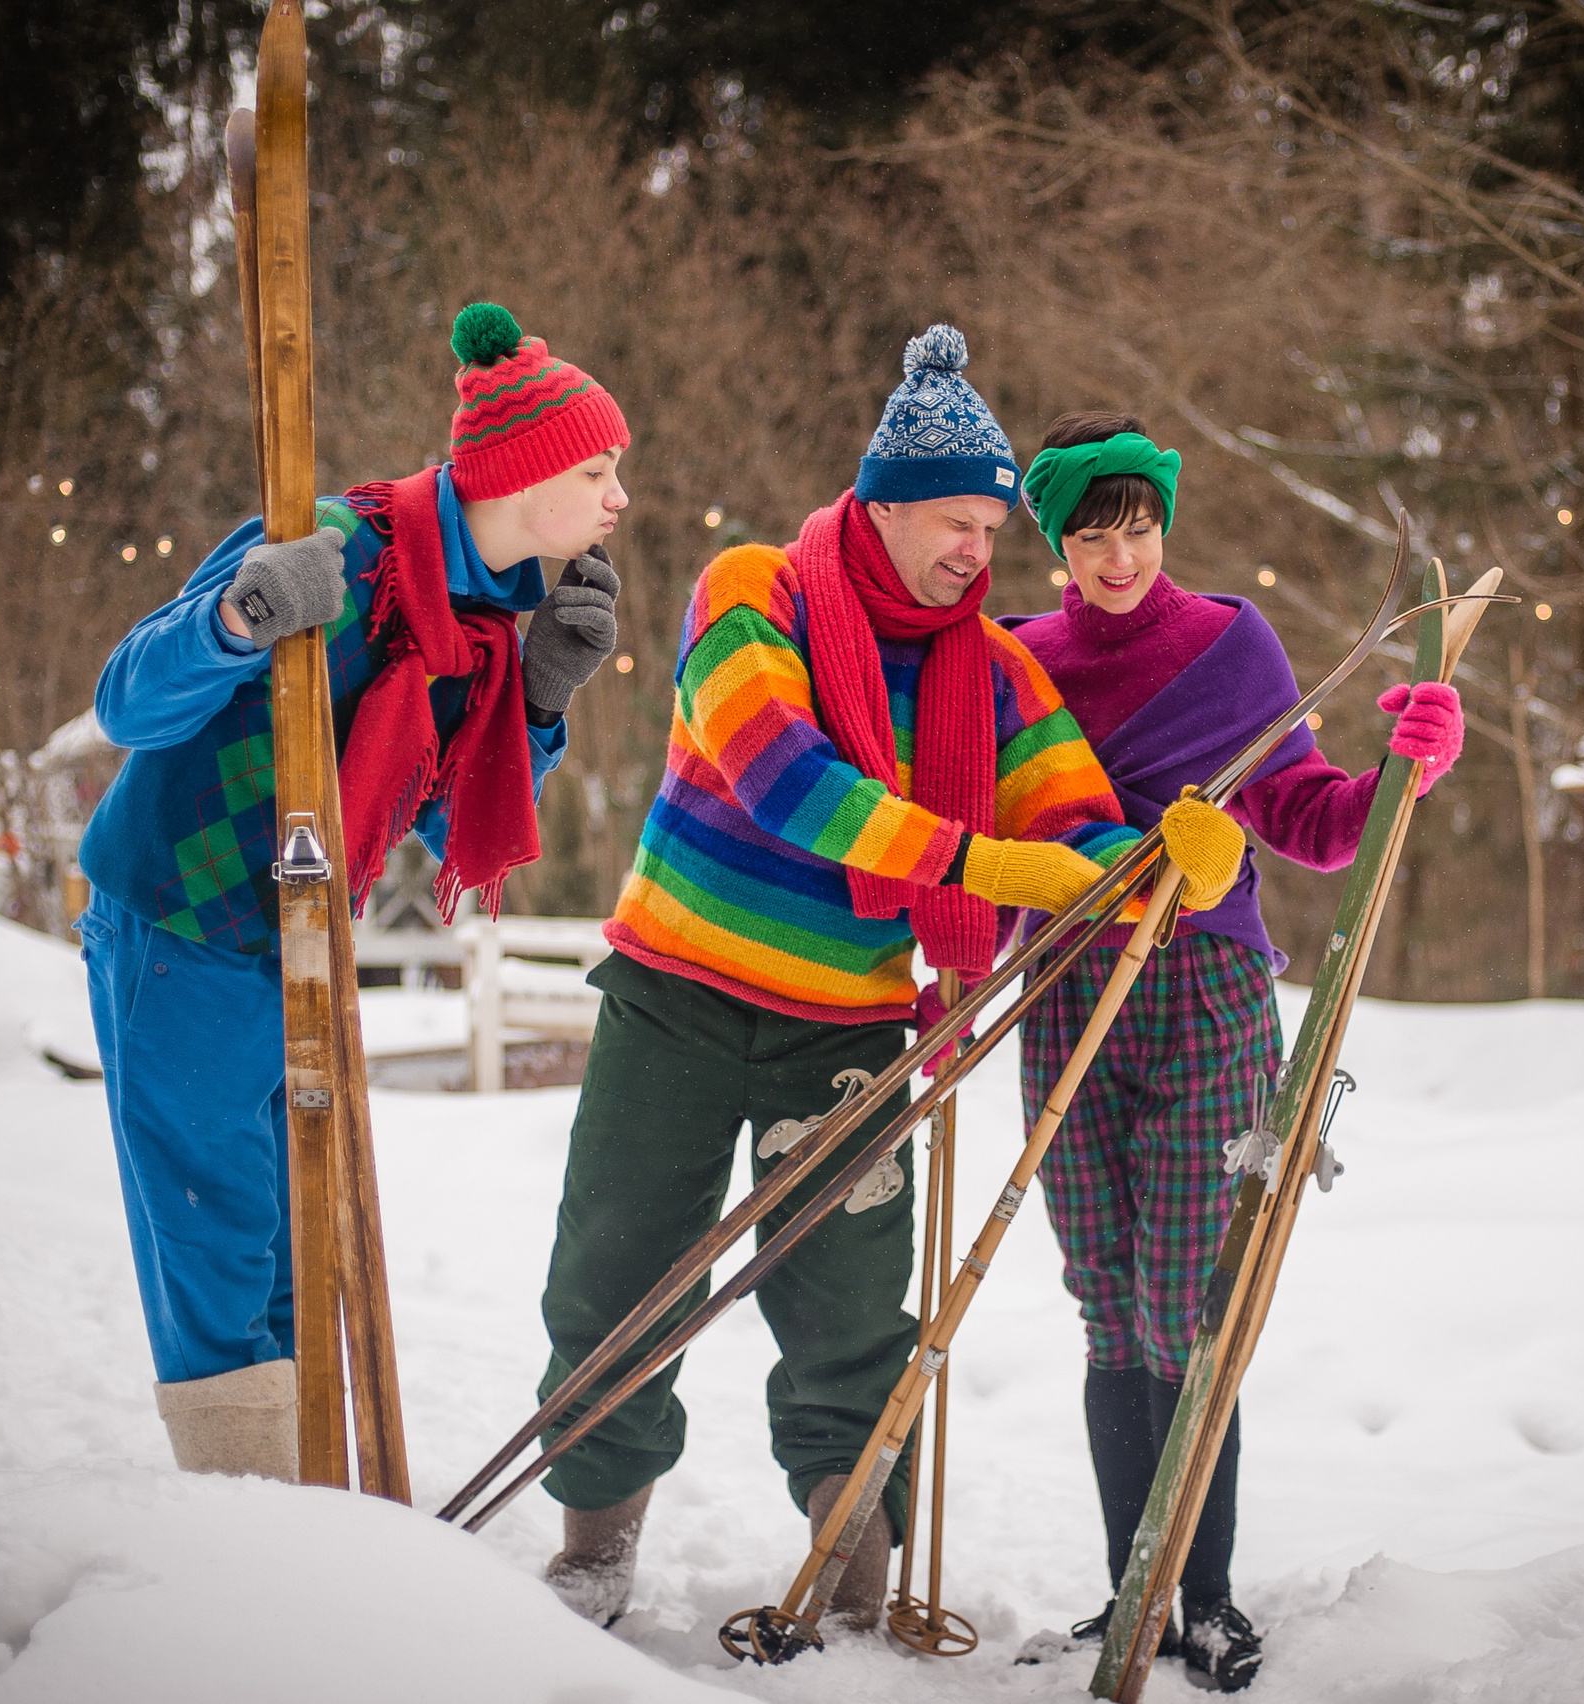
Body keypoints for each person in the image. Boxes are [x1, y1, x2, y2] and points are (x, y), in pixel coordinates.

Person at [533, 328, 1249, 1633]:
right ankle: (594, 1549)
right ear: (881, 505)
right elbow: (786, 780)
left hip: (849, 1033)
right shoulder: (758, 590)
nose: (980, 548)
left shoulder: (991, 670)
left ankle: (851, 1587)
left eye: (992, 524)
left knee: (857, 1317)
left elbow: (1086, 836)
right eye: (954, 520)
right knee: (618, 1273)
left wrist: (1175, 867)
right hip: (675, 1000)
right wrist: (987, 863)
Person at [79, 303, 630, 1480]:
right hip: (180, 928)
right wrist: (240, 616)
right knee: (214, 1234)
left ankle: (295, 1516)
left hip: (299, 944)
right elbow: (126, 702)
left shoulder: (479, 619)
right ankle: (245, 1510)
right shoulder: (330, 544)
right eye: (597, 468)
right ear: (525, 478)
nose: (616, 498)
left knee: (289, 1237)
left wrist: (537, 700)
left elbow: (445, 813)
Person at [1001, 412, 1466, 1692]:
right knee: (1104, 1308)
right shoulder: (1016, 664)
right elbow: (987, 841)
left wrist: (1401, 777)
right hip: (1061, 998)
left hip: (1204, 990)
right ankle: (1127, 1594)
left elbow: (1308, 821)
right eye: (1092, 535)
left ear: (1163, 523)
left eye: (1138, 527)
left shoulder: (1229, 644)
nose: (1119, 556)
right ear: (1059, 543)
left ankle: (1197, 1597)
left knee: (1181, 1314)